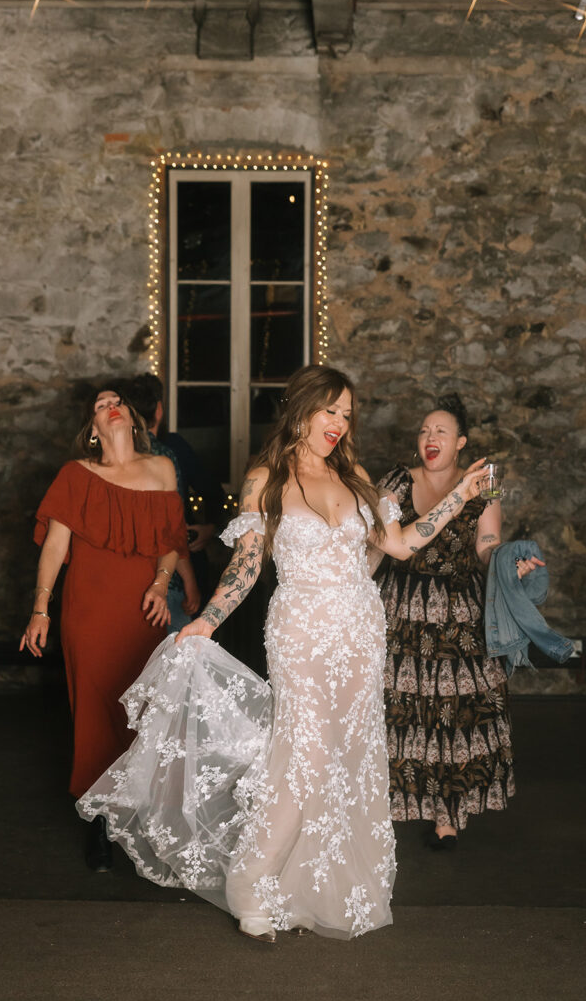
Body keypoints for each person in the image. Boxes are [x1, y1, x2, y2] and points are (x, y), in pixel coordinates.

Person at [77, 366, 488, 941]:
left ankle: (315, 886)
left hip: (361, 631)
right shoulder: (265, 480)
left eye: (347, 415)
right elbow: (246, 568)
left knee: (348, 758)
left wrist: (460, 498)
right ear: (302, 409)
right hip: (300, 630)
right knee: (303, 757)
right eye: (331, 411)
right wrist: (205, 622)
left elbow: (400, 543)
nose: (340, 424)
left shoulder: (359, 478)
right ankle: (252, 886)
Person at [20, 387, 198, 870]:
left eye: (116, 399)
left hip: (144, 610)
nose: (110, 404)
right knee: (96, 712)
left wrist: (163, 585)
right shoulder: (77, 476)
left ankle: (137, 815)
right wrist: (41, 608)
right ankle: (98, 822)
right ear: (93, 431)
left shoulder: (161, 470)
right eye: (100, 404)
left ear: (133, 419)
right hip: (89, 611)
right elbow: (55, 548)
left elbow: (170, 540)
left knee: (142, 709)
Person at [374, 394, 543, 850]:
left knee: (452, 715)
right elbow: (379, 537)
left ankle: (447, 815)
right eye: (425, 430)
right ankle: (387, 806)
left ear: (460, 443)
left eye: (441, 432)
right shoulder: (394, 480)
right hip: (400, 608)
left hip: (458, 614)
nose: (430, 438)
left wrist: (510, 566)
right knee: (396, 711)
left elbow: (488, 546)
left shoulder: (483, 486)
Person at [117, 373, 226, 620]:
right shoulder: (168, 450)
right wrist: (210, 528)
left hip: (135, 570)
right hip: (173, 569)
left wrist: (209, 529)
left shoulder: (114, 454)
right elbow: (170, 524)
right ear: (159, 409)